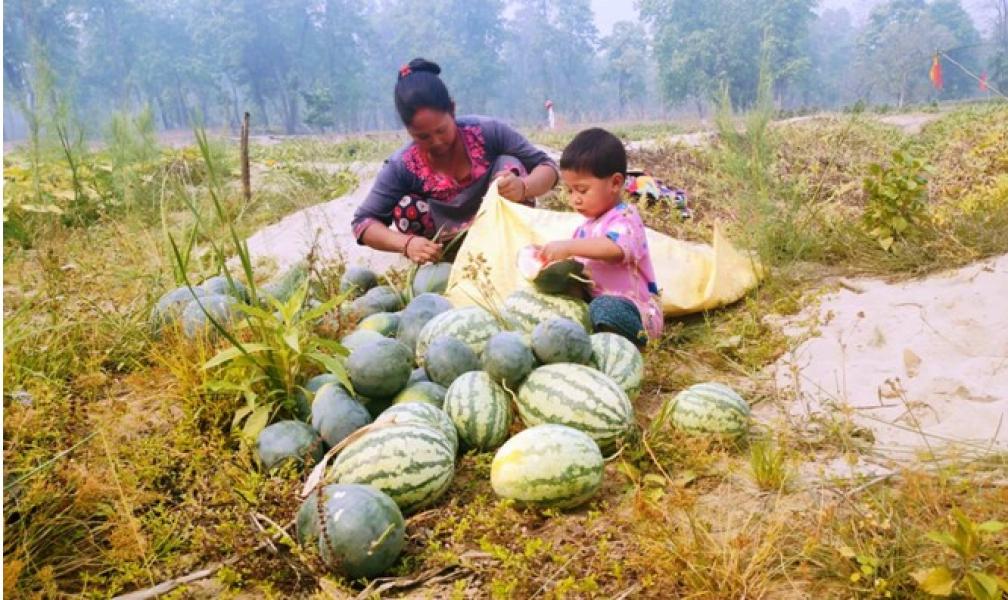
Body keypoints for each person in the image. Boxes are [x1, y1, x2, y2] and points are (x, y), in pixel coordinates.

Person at [352, 58, 560, 264]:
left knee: (510, 164)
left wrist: (523, 187)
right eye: (423, 137)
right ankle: (447, 263)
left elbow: (548, 168)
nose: (436, 142)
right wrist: (407, 243)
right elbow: (363, 223)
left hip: (500, 234)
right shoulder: (402, 165)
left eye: (442, 130)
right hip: (444, 249)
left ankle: (512, 251)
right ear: (408, 130)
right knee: (406, 206)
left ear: (452, 110)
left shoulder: (488, 132)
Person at [538, 128, 663, 345]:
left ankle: (620, 342)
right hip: (596, 307)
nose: (574, 200)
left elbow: (615, 249)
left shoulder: (626, 217)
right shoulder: (583, 229)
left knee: (604, 307)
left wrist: (569, 247)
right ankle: (592, 337)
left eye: (582, 190)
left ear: (615, 183)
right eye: (570, 191)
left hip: (636, 312)